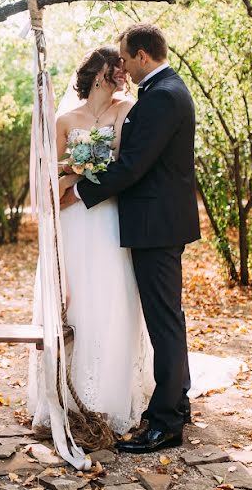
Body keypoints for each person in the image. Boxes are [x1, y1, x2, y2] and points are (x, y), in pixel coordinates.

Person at [58, 23, 201, 453]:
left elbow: (134, 165)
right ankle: (176, 401)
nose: (124, 67)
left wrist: (79, 191)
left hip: (156, 225)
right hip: (156, 222)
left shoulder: (161, 97)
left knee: (164, 322)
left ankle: (165, 424)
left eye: (126, 57)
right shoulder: (165, 91)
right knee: (167, 318)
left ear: (141, 55)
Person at [27, 44, 155, 440]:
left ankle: (111, 394)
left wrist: (88, 173)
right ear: (99, 72)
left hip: (110, 214)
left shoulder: (126, 110)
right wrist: (71, 173)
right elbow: (51, 168)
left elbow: (124, 162)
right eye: (117, 66)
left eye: (125, 65)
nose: (123, 71)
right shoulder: (66, 119)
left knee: (113, 295)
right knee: (77, 298)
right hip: (73, 219)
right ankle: (68, 393)